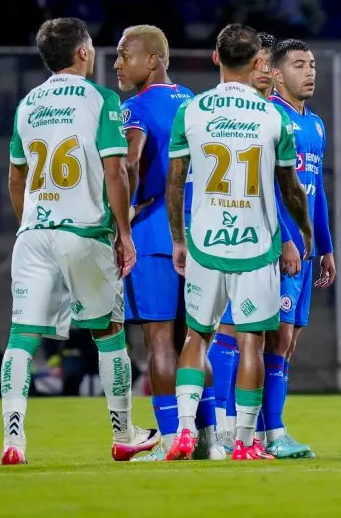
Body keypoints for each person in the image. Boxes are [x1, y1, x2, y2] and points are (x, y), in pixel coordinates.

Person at [1, 17, 159, 465]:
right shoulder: (101, 100)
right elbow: (116, 170)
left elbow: (16, 177)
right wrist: (124, 233)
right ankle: (124, 433)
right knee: (109, 335)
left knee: (21, 338)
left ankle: (13, 440)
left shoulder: (27, 104)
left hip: (33, 233)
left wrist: (31, 224)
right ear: (84, 53)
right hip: (85, 233)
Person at [164, 24, 312, 462]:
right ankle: (246, 442)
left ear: (215, 58)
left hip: (205, 242)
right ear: (257, 65)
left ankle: (187, 431)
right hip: (256, 245)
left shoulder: (191, 111)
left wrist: (178, 240)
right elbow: (291, 188)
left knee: (196, 336)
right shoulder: (273, 117)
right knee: (252, 342)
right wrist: (304, 231)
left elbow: (174, 185)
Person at [114, 24, 222, 461]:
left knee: (159, 340)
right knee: (194, 339)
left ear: (153, 59)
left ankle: (166, 440)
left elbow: (129, 162)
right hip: (200, 233)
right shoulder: (195, 102)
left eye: (125, 54)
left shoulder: (135, 107)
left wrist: (129, 210)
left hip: (156, 233)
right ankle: (208, 439)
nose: (118, 63)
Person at [206, 33, 304, 454]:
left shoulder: (297, 121)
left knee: (276, 341)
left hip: (287, 243)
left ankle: (264, 433)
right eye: (260, 63)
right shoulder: (254, 118)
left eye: (269, 63)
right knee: (231, 334)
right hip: (244, 241)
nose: (264, 70)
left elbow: (307, 192)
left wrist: (318, 241)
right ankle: (227, 429)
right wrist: (286, 237)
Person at [258, 38, 337, 458]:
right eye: (299, 65)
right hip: (278, 248)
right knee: (277, 336)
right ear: (275, 73)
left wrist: (325, 246)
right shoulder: (270, 116)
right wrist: (286, 239)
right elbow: (267, 187)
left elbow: (316, 191)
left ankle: (266, 429)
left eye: (312, 64)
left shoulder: (317, 124)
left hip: (305, 252)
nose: (309, 72)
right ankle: (271, 432)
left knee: (289, 341)